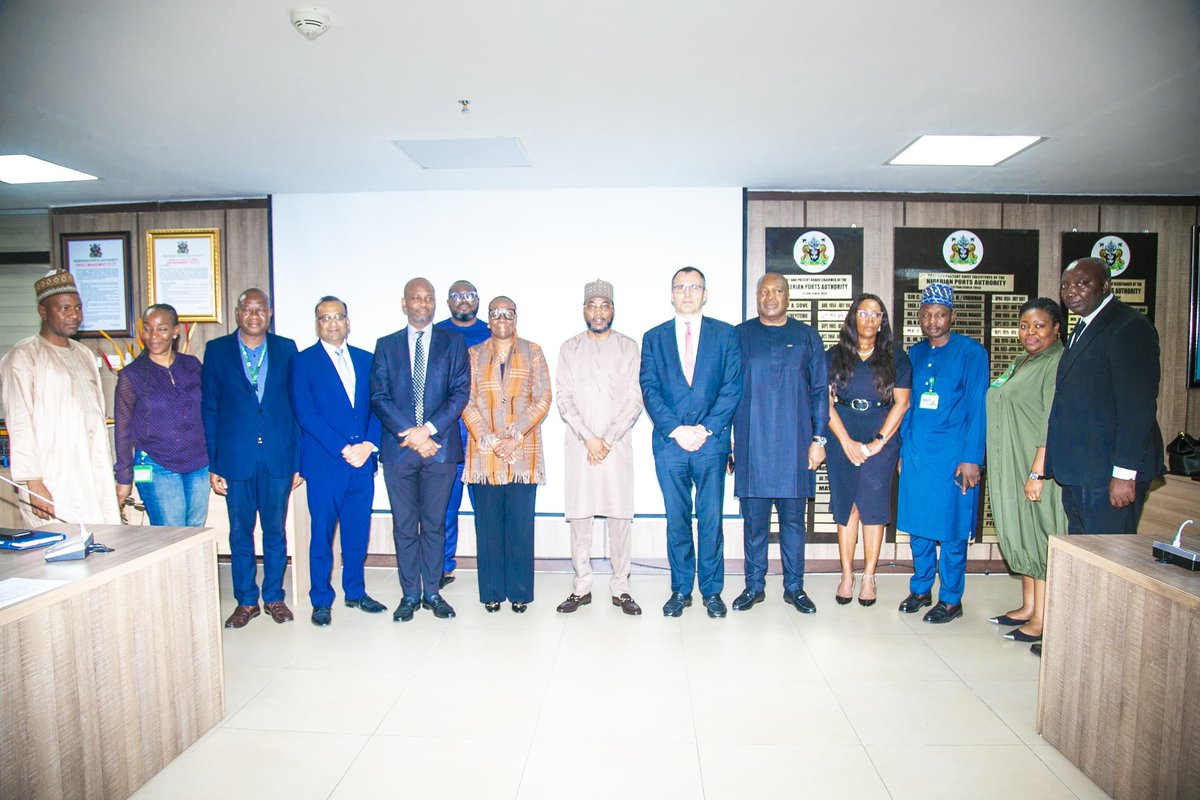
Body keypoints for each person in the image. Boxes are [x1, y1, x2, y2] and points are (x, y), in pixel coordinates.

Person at [640, 267, 742, 619]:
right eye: (680, 287)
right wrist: (676, 430)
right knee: (677, 519)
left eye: (694, 287)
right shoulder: (653, 337)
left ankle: (712, 592)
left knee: (711, 520)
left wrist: (707, 429)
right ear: (671, 294)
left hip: (711, 443)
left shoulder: (726, 335)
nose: (687, 293)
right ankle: (681, 589)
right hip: (670, 444)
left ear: (705, 293)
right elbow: (649, 390)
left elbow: (732, 387)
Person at [202, 288, 301, 629]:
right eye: (247, 308)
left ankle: (274, 597)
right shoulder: (216, 351)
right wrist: (214, 463)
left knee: (275, 531)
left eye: (260, 309)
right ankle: (246, 600)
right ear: (237, 312)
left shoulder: (286, 349)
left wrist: (297, 460)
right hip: (236, 457)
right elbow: (210, 408)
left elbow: (297, 406)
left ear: (270, 314)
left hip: (277, 457)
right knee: (240, 533)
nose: (254, 315)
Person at [372, 278, 470, 622]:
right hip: (399, 451)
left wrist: (427, 431)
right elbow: (379, 397)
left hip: (440, 450)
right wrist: (411, 434)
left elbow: (460, 393)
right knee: (404, 525)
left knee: (434, 525)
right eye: (416, 298)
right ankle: (409, 594)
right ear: (404, 303)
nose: (423, 304)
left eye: (428, 298)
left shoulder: (453, 343)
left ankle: (433, 592)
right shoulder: (386, 345)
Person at [1045, 257, 1164, 534]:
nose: (1071, 291)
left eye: (1082, 283)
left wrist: (1124, 473)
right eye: (1065, 285)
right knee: (1084, 558)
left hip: (1108, 473)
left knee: (1110, 560)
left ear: (1106, 285)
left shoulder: (1128, 327)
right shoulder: (1083, 327)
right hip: (1081, 471)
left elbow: (1137, 407)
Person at [730, 273, 826, 615]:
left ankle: (794, 587)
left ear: (788, 296)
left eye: (777, 291)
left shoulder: (806, 336)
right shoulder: (740, 336)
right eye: (763, 291)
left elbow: (819, 392)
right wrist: (729, 440)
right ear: (756, 297)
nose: (770, 297)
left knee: (793, 524)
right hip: (752, 445)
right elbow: (727, 391)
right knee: (754, 525)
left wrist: (819, 440)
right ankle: (754, 586)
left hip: (795, 447)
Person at [290, 296, 386, 626]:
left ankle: (356, 591)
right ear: (317, 325)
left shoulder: (366, 359)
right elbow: (306, 414)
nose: (333, 323)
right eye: (325, 318)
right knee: (322, 534)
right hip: (326, 463)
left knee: (357, 533)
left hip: (362, 464)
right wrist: (343, 448)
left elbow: (378, 408)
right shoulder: (303, 362)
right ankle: (321, 598)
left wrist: (370, 444)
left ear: (348, 322)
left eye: (338, 317)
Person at [895, 283, 987, 624]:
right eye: (927, 315)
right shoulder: (914, 354)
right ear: (919, 317)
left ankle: (951, 598)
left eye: (940, 314)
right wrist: (904, 449)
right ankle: (921, 588)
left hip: (954, 456)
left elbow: (978, 408)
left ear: (952, 316)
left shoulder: (971, 353)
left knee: (951, 528)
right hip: (918, 454)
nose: (933, 321)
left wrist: (972, 457)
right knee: (918, 526)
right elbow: (906, 407)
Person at [0, 271, 120, 527]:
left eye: (77, 307)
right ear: (43, 311)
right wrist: (33, 483)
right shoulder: (24, 355)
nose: (74, 315)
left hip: (93, 475)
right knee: (61, 555)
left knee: (104, 550)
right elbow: (19, 422)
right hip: (53, 480)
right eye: (64, 308)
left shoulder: (85, 355)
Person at [555, 279, 644, 616]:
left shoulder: (628, 347)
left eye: (604, 305)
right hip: (580, 446)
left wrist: (606, 439)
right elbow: (563, 398)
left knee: (620, 517)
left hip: (616, 447)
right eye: (592, 305)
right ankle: (582, 586)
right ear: (584, 311)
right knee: (581, 517)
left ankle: (621, 587)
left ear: (613, 310)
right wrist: (589, 438)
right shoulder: (569, 348)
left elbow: (635, 399)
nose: (598, 312)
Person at [986, 297, 1068, 646]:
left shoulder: (1057, 362)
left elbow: (1053, 419)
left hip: (1035, 467)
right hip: (1011, 461)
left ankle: (1043, 618)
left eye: (1039, 325)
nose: (1030, 332)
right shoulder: (1022, 361)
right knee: (1021, 530)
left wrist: (1038, 472)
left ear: (1056, 328)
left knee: (1039, 533)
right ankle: (1029, 606)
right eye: (1024, 325)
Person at [463, 296, 551, 613]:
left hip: (522, 453)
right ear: (488, 319)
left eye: (508, 313)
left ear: (516, 318)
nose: (502, 318)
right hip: (484, 453)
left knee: (519, 524)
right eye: (495, 313)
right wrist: (487, 437)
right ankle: (491, 592)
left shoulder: (533, 352)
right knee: (487, 525)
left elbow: (543, 398)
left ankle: (519, 592)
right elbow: (466, 399)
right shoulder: (473, 354)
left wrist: (515, 435)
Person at [825, 293, 911, 607]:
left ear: (882, 321)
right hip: (841, 435)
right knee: (848, 508)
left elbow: (901, 404)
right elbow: (826, 403)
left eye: (877, 314)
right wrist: (846, 441)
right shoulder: (834, 355)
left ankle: (870, 576)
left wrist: (877, 442)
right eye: (864, 313)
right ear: (853, 318)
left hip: (881, 438)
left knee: (873, 510)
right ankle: (847, 574)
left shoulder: (895, 356)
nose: (870, 320)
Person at [114, 304, 209, 526]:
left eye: (162, 329)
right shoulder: (132, 375)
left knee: (195, 532)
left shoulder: (192, 366)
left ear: (176, 331)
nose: (153, 336)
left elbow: (209, 411)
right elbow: (123, 430)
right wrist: (124, 477)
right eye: (147, 329)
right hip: (157, 465)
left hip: (199, 463)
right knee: (173, 535)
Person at [434, 279, 490, 588]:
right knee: (444, 507)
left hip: (482, 434)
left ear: (478, 300)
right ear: (448, 301)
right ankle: (442, 567)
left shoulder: (491, 331)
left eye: (469, 295)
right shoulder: (438, 334)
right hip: (447, 432)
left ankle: (491, 568)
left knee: (487, 508)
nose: (463, 300)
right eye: (457, 295)